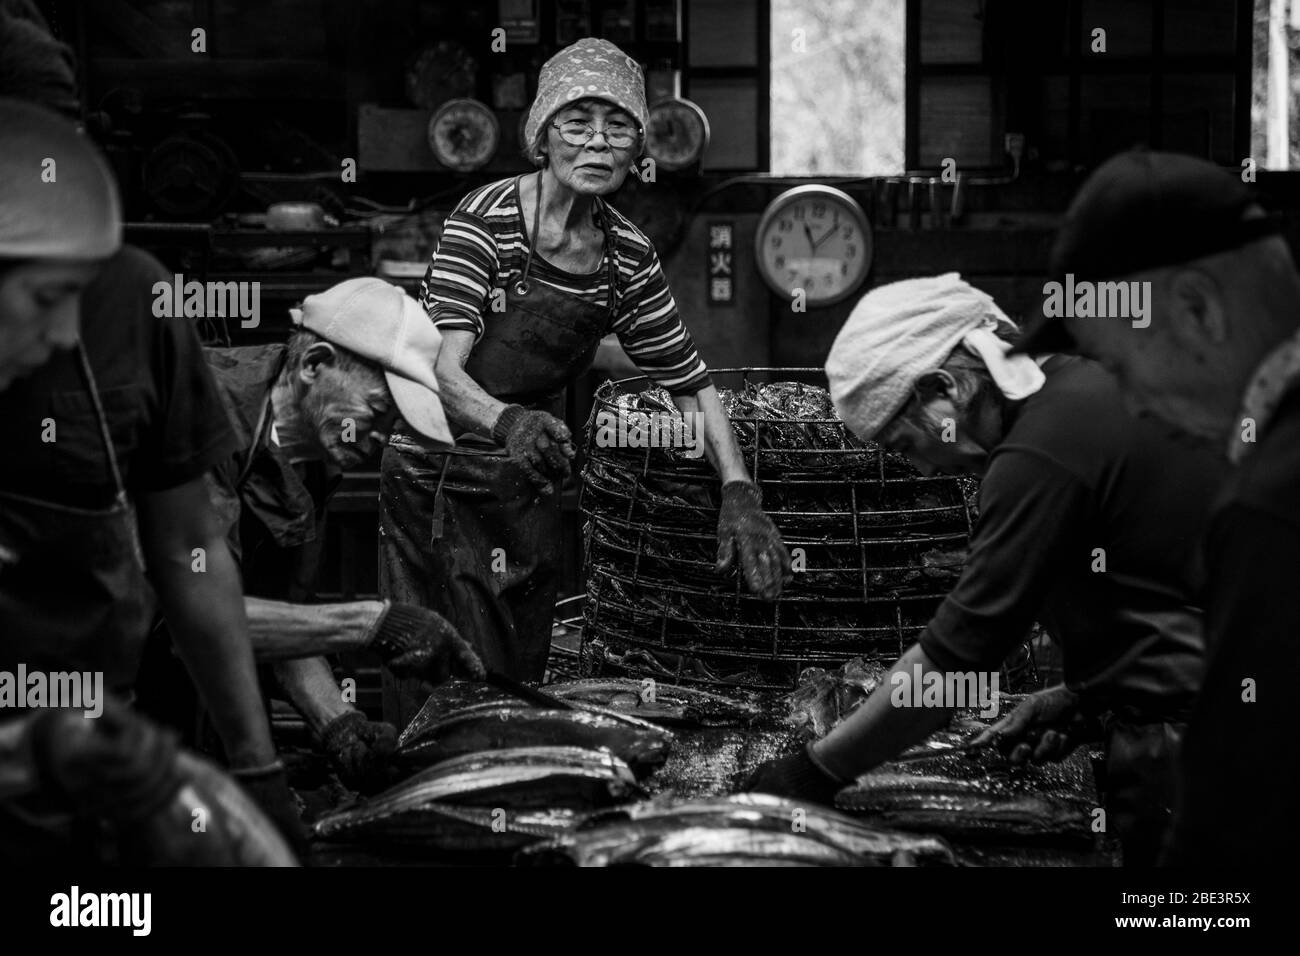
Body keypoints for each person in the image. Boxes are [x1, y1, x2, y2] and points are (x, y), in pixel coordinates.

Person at [742, 273, 1225, 866]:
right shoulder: (1082, 390)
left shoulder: (1039, 451)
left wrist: (815, 773)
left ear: (945, 388)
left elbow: (959, 655)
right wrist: (1086, 696)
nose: (918, 470)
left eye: (904, 446)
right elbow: (1169, 584)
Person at [378, 38, 790, 721]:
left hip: (531, 472)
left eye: (618, 125)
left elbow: (689, 378)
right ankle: (426, 799)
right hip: (438, 470)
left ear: (639, 148)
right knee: (446, 673)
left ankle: (515, 807)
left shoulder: (626, 254)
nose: (598, 142)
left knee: (522, 672)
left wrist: (739, 489)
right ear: (543, 136)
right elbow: (440, 370)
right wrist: (506, 421)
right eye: (577, 122)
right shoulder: (486, 223)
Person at [0, 98, 298, 847]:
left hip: (98, 759)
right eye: (43, 299)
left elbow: (188, 552)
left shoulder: (137, 300)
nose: (68, 330)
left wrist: (255, 768)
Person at [1013, 150, 1300, 867]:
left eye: (1117, 367)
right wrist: (1100, 700)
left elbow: (1233, 839)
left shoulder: (1272, 499)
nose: (1133, 404)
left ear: (1198, 309)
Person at [141, 278, 485, 789]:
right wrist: (372, 623)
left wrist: (339, 727)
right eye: (375, 413)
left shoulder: (314, 464)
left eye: (391, 425)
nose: (376, 440)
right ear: (313, 365)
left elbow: (280, 616)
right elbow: (189, 620)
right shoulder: (196, 410)